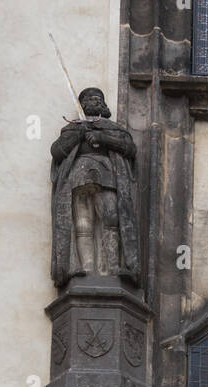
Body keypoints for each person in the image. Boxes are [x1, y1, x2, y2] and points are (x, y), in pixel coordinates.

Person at [50, 87, 140, 287]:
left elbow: (130, 149)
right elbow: (57, 151)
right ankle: (87, 268)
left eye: (99, 98)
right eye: (91, 99)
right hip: (79, 177)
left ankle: (112, 266)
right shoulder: (73, 128)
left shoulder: (113, 128)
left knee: (111, 218)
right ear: (83, 105)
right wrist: (79, 134)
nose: (96, 101)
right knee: (83, 224)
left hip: (108, 175)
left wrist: (103, 138)